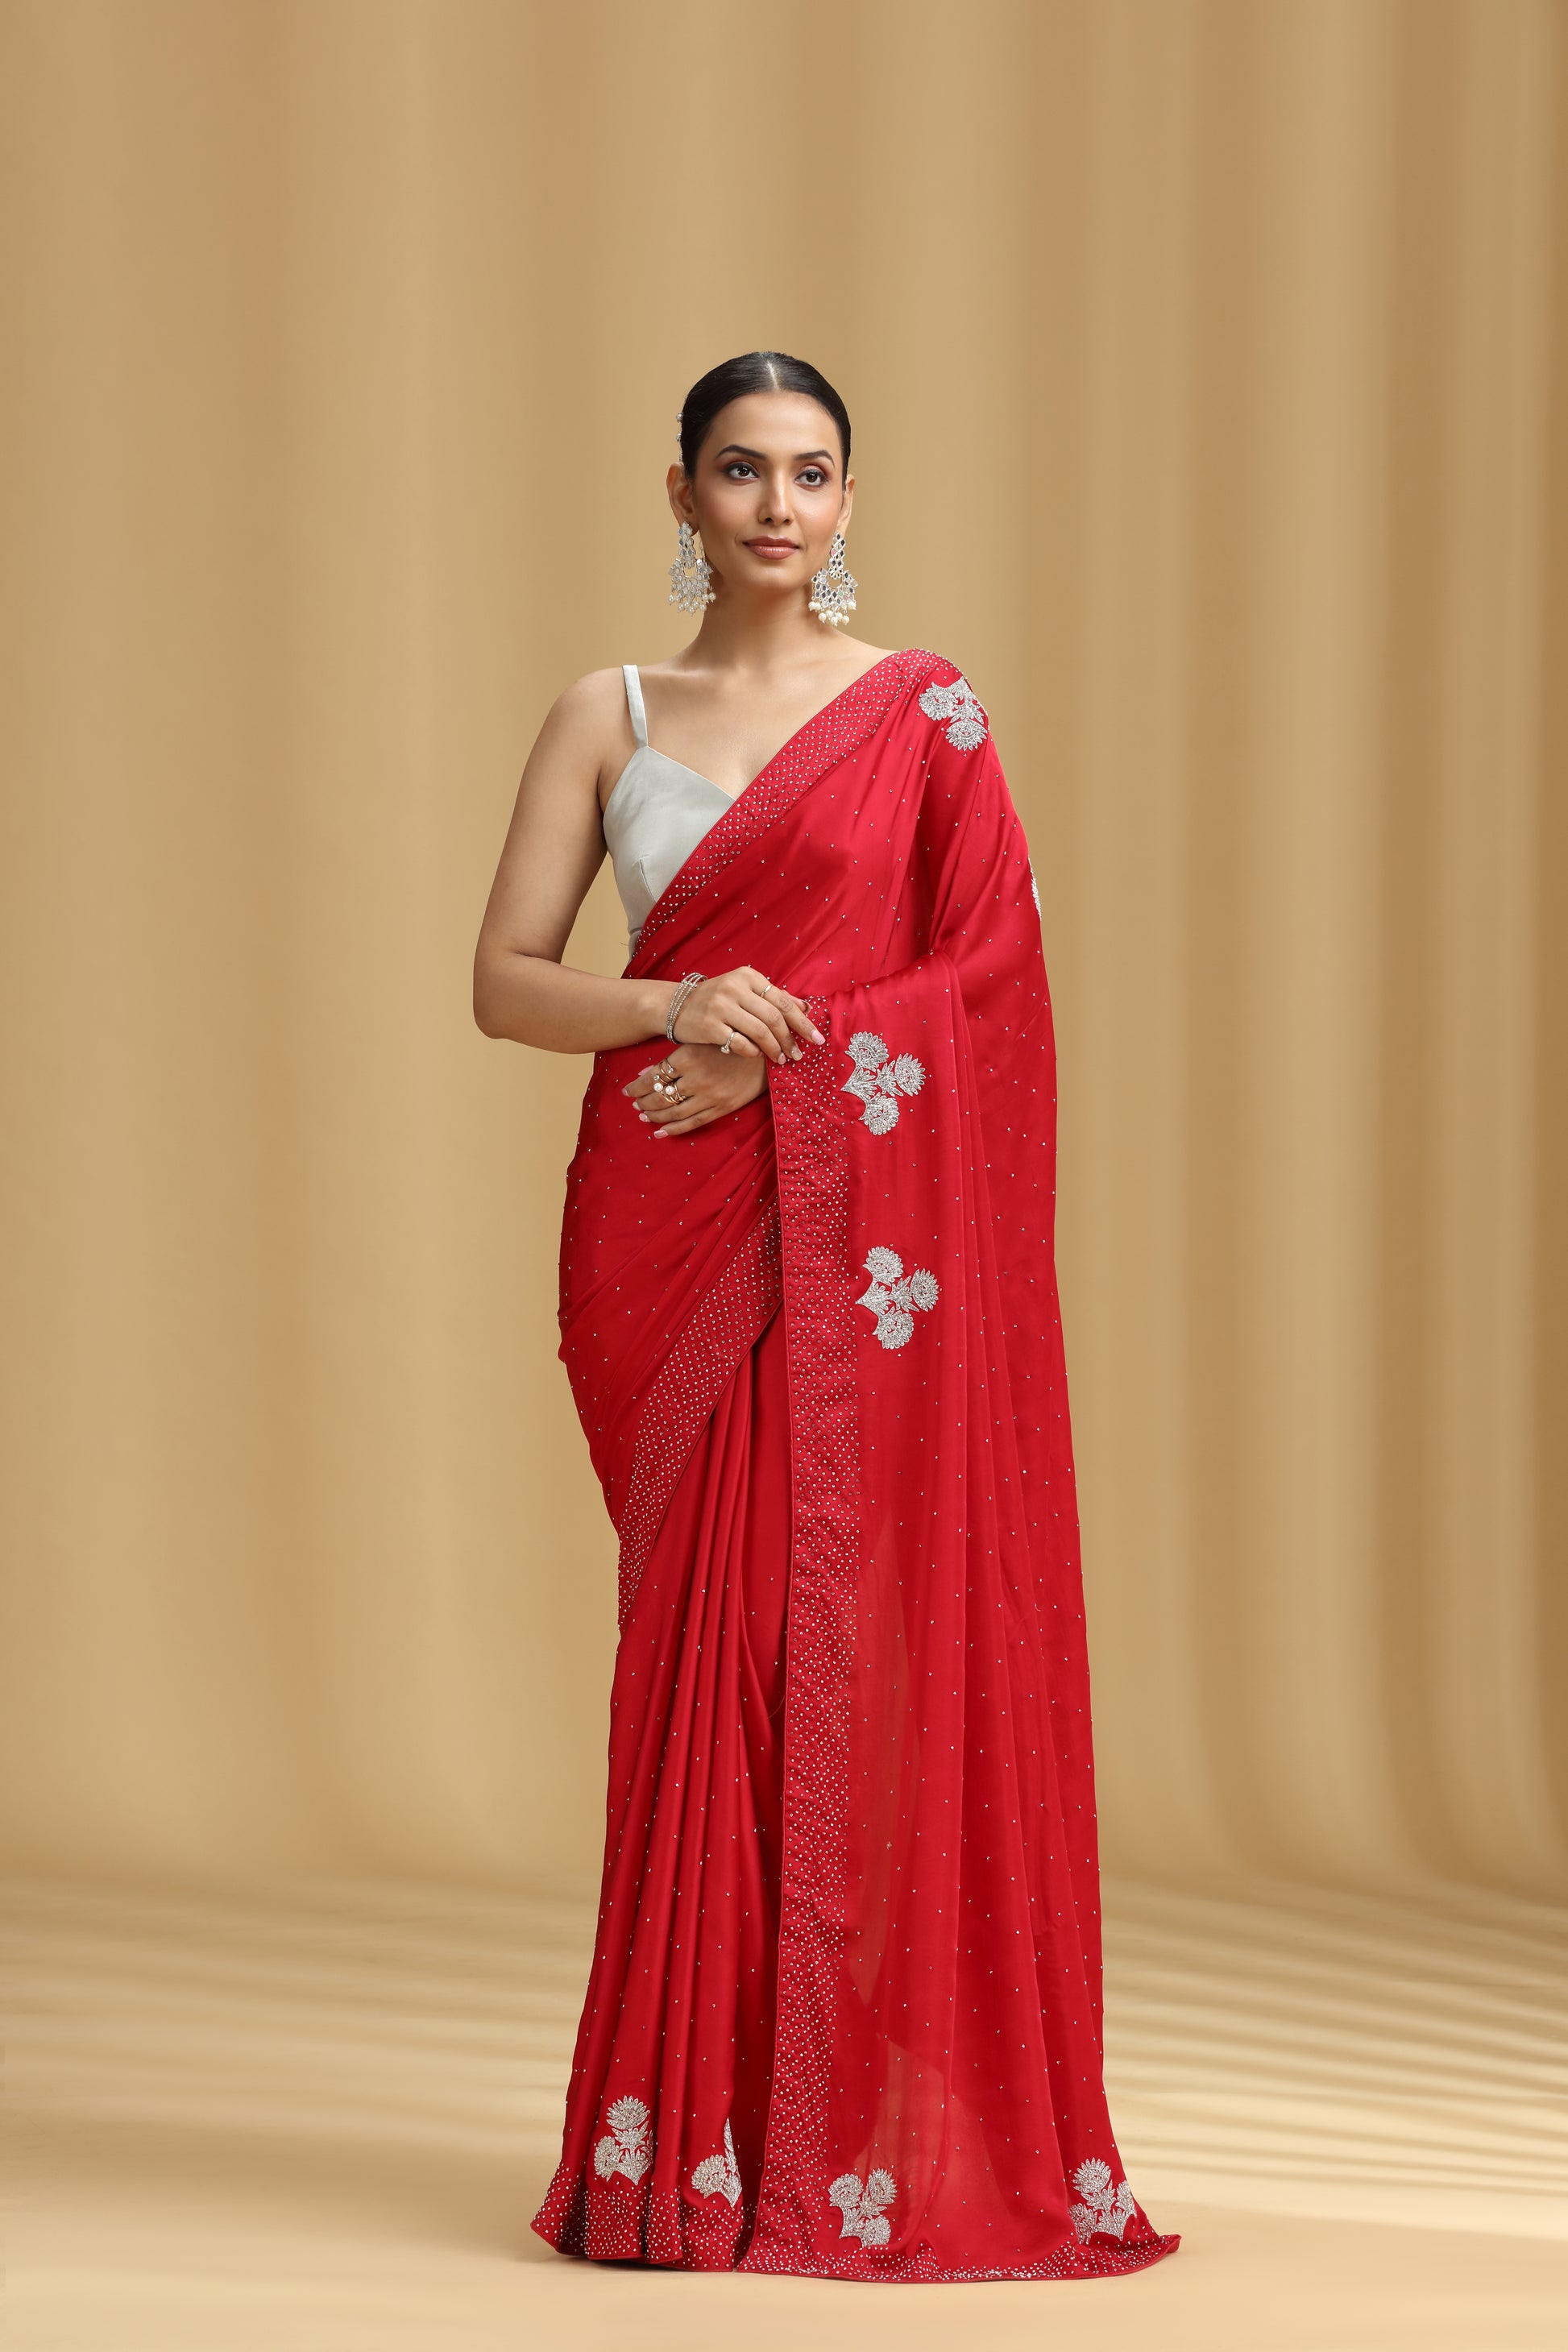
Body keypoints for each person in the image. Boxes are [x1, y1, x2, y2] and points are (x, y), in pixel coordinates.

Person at [472, 351, 1180, 2283]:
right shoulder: (608, 712)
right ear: (680, 494)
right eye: (739, 470)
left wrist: (793, 1055)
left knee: (844, 1647)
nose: (776, 506)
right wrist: (673, 1004)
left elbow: (993, 979)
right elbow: (507, 981)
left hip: (854, 1233)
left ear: (848, 499)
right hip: (664, 1217)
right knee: (700, 1656)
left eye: (810, 473)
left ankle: (846, 2128)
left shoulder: (921, 714)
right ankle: (677, 2144)